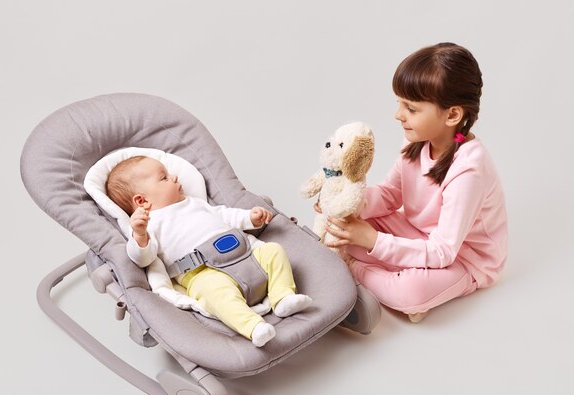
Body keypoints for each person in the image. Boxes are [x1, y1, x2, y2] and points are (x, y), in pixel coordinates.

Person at [321, 42, 507, 322]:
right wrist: (350, 205)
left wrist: (372, 241)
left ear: (452, 115)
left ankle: (352, 270)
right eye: (400, 104)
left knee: (411, 292)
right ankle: (384, 276)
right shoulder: (417, 142)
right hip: (417, 233)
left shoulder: (469, 171)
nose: (398, 115)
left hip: (463, 259)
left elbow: (444, 250)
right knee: (345, 231)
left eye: (411, 108)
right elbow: (390, 195)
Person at [106, 156, 312, 346]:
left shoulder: (194, 203)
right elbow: (143, 259)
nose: (174, 177)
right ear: (142, 201)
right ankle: (253, 326)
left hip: (245, 257)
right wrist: (139, 236)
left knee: (273, 251)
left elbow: (225, 215)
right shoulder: (149, 225)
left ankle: (282, 297)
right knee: (213, 292)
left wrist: (250, 218)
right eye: (164, 178)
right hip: (203, 273)